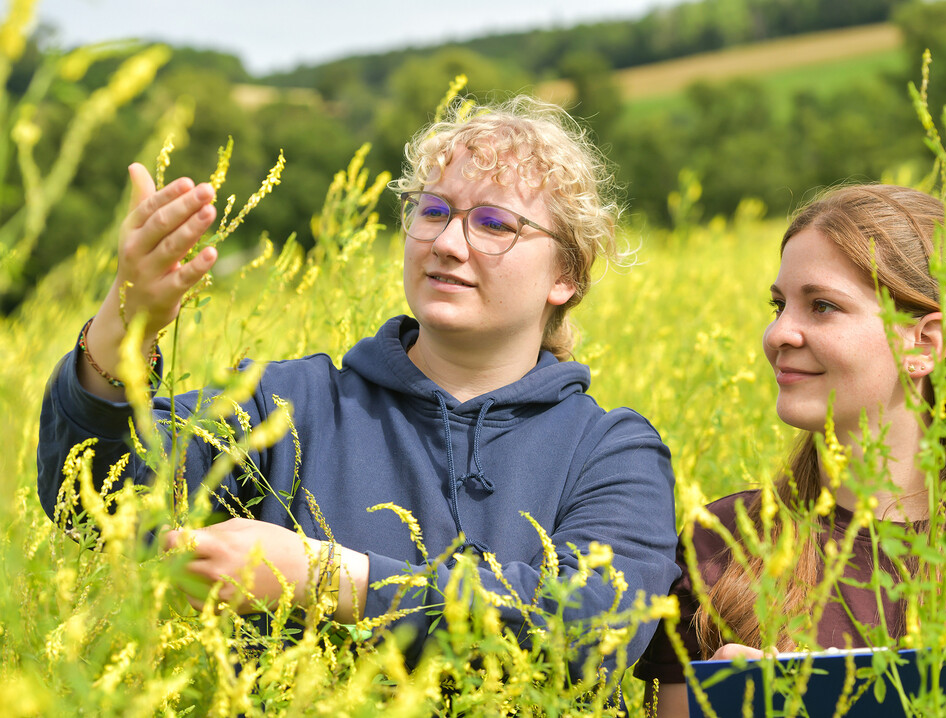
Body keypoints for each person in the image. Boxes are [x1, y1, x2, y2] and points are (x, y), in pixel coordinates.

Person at [36, 96, 680, 673]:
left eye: (493, 223)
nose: (448, 242)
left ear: (566, 273)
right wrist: (124, 326)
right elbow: (98, 502)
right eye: (433, 211)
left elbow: (593, 626)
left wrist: (326, 579)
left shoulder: (610, 450)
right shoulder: (285, 403)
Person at [636, 185, 946, 714]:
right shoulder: (725, 543)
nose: (778, 333)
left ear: (925, 343)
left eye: (822, 306)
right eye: (779, 305)